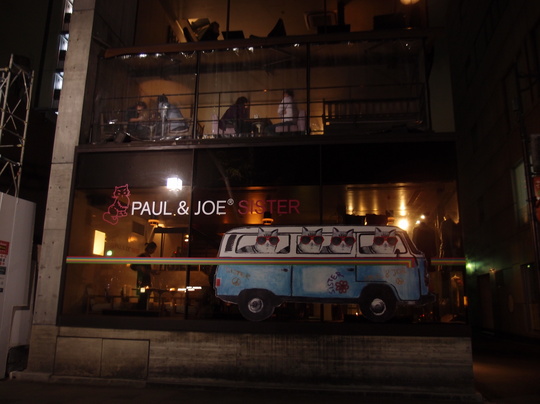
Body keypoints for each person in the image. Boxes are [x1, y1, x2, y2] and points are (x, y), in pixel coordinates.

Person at [131, 242, 159, 310]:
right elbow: (133, 266)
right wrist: (141, 268)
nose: (153, 251)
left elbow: (146, 269)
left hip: (146, 279)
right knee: (143, 296)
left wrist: (151, 271)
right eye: (153, 249)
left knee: (145, 296)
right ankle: (141, 309)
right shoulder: (142, 256)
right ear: (150, 248)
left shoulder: (148, 257)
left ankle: (143, 309)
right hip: (142, 280)